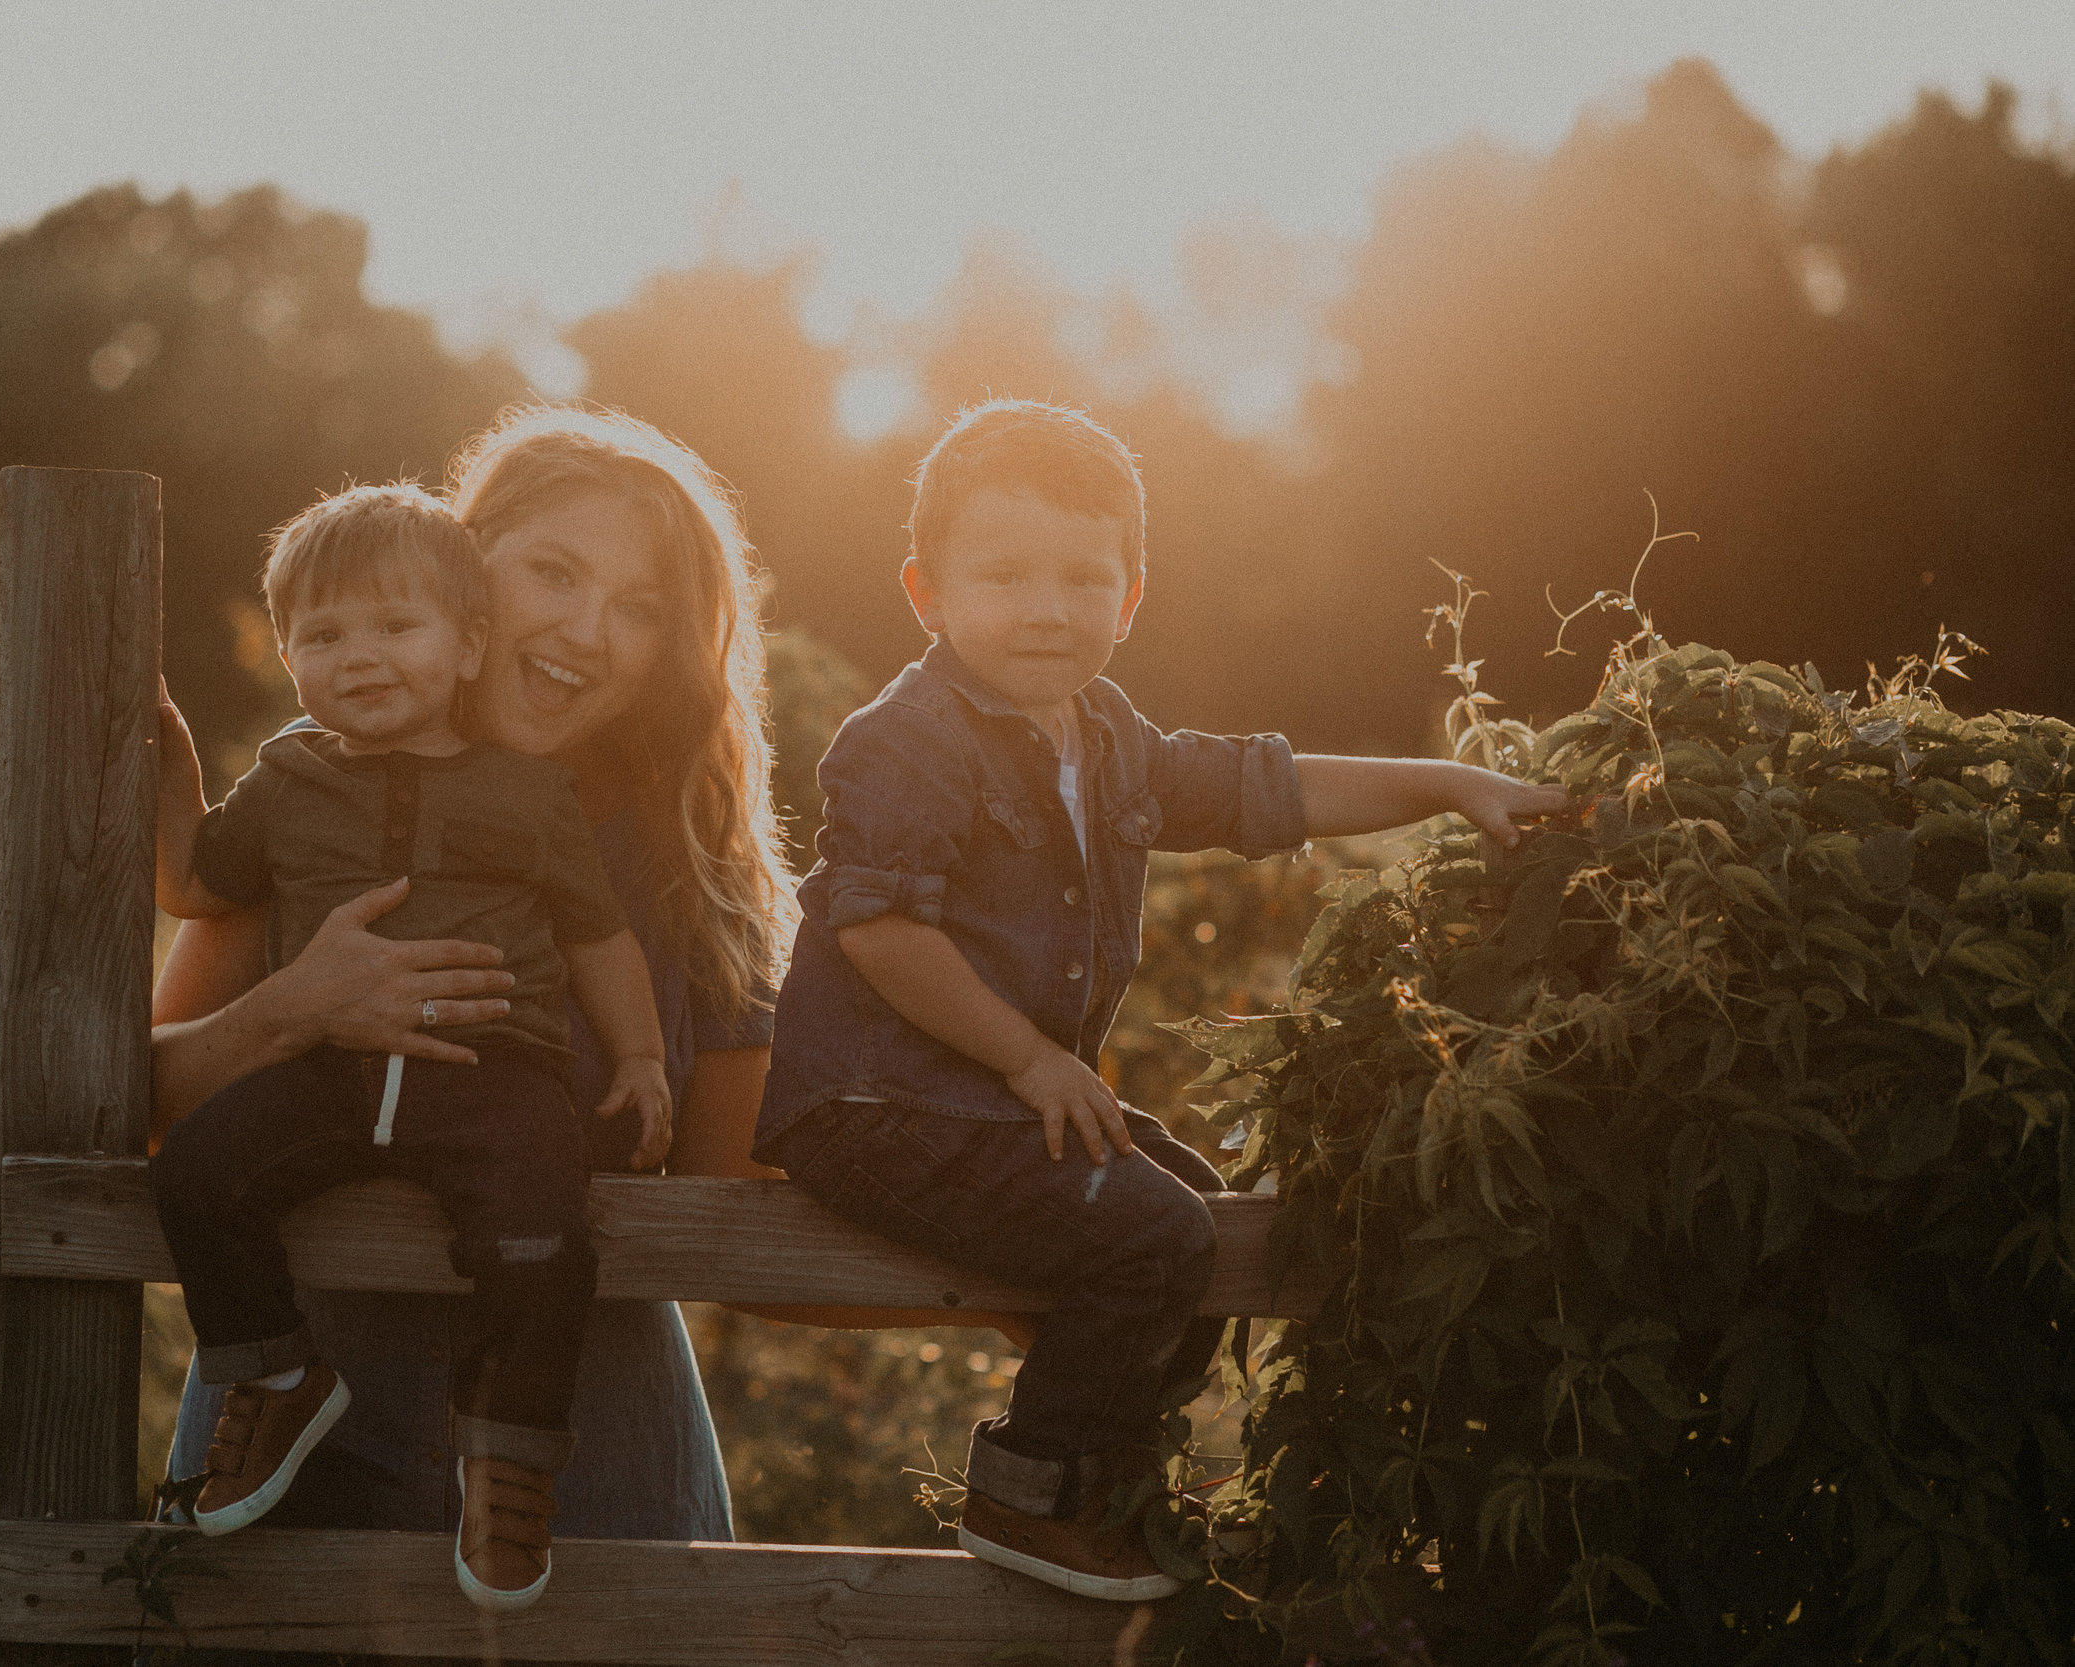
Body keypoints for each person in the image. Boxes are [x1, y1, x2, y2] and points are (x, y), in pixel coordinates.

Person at [755, 399, 1570, 1602]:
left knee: (1204, 1213)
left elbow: (1267, 786)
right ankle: (1031, 1488)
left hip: (979, 1096)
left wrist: (1448, 780)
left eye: (1084, 577)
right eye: (1006, 574)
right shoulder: (905, 741)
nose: (1047, 606)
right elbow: (879, 930)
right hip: (877, 1102)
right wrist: (1034, 1061)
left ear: (1129, 598)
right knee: (1152, 1232)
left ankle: (1112, 1468)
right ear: (927, 592)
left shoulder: (1111, 740)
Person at [150, 408, 796, 1551]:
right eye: (554, 571)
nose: (588, 631)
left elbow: (739, 1214)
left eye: (640, 608)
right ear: (467, 565)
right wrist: (293, 1008)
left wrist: (1026, 1290)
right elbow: (146, 1115)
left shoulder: (694, 863)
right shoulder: (316, 796)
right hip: (291, 1444)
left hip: (586, 1457)